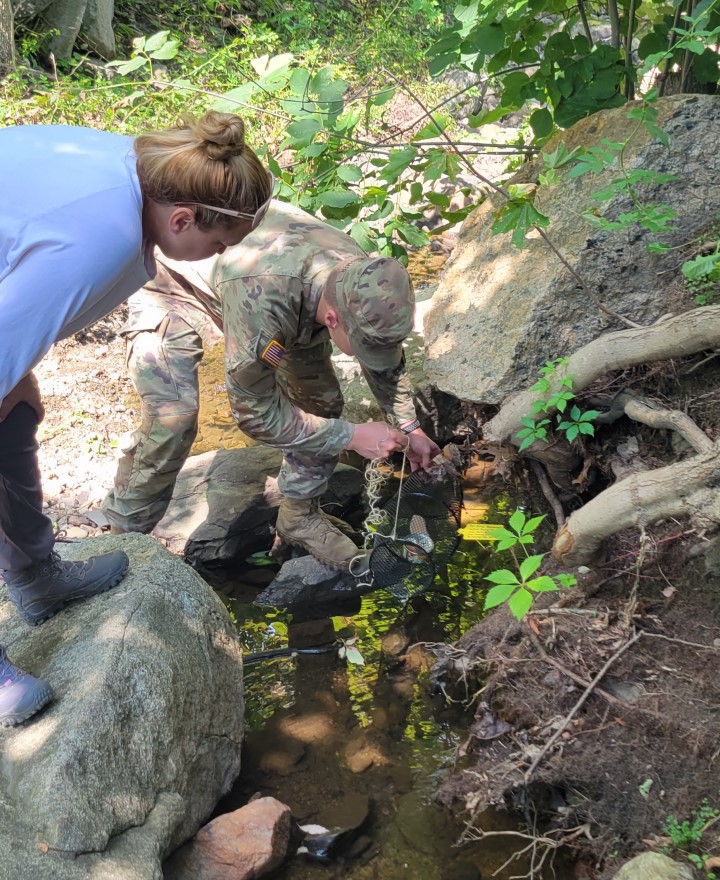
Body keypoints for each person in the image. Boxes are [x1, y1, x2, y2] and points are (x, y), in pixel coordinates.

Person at [0, 111, 272, 727]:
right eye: (218, 244)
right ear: (183, 220)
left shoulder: (146, 166)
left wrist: (16, 376)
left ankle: (36, 578)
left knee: (12, 419)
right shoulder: (99, 238)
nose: (217, 258)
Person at [102, 199, 440, 570]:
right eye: (361, 347)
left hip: (281, 301)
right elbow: (253, 412)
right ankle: (126, 538)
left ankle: (298, 517)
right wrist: (350, 436)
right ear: (332, 318)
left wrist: (410, 426)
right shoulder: (264, 305)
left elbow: (384, 360)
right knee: (175, 418)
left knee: (321, 402)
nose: (370, 356)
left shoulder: (364, 277)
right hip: (171, 282)